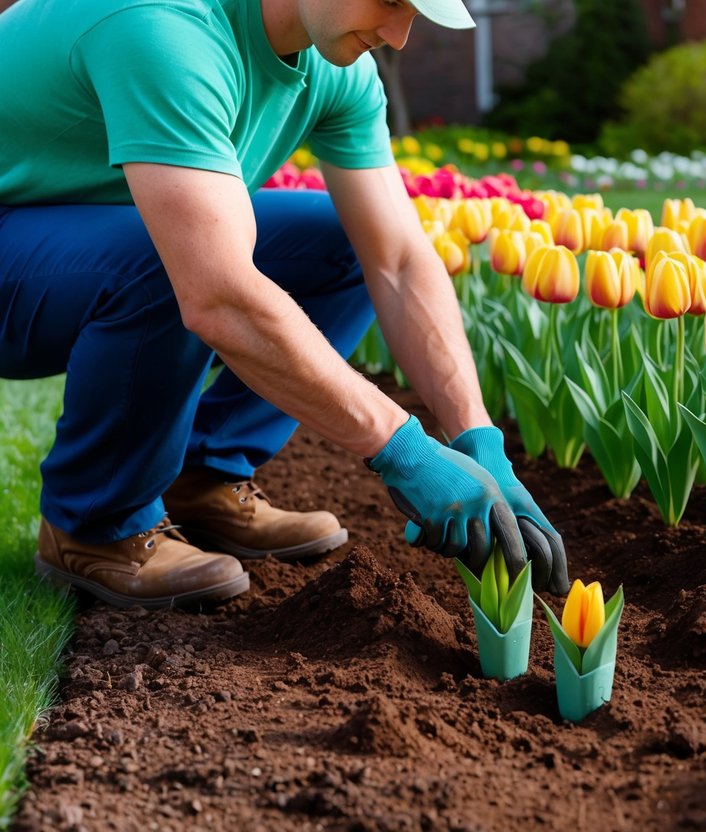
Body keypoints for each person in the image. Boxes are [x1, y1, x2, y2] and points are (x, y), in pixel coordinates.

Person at [0, 0, 570, 608]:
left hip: (77, 239)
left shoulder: (337, 64)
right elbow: (218, 294)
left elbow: (398, 260)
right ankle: (95, 523)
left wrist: (476, 437)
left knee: (344, 244)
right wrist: (404, 449)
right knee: (181, 259)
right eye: (390, 0)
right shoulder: (163, 25)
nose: (400, 36)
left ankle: (206, 476)